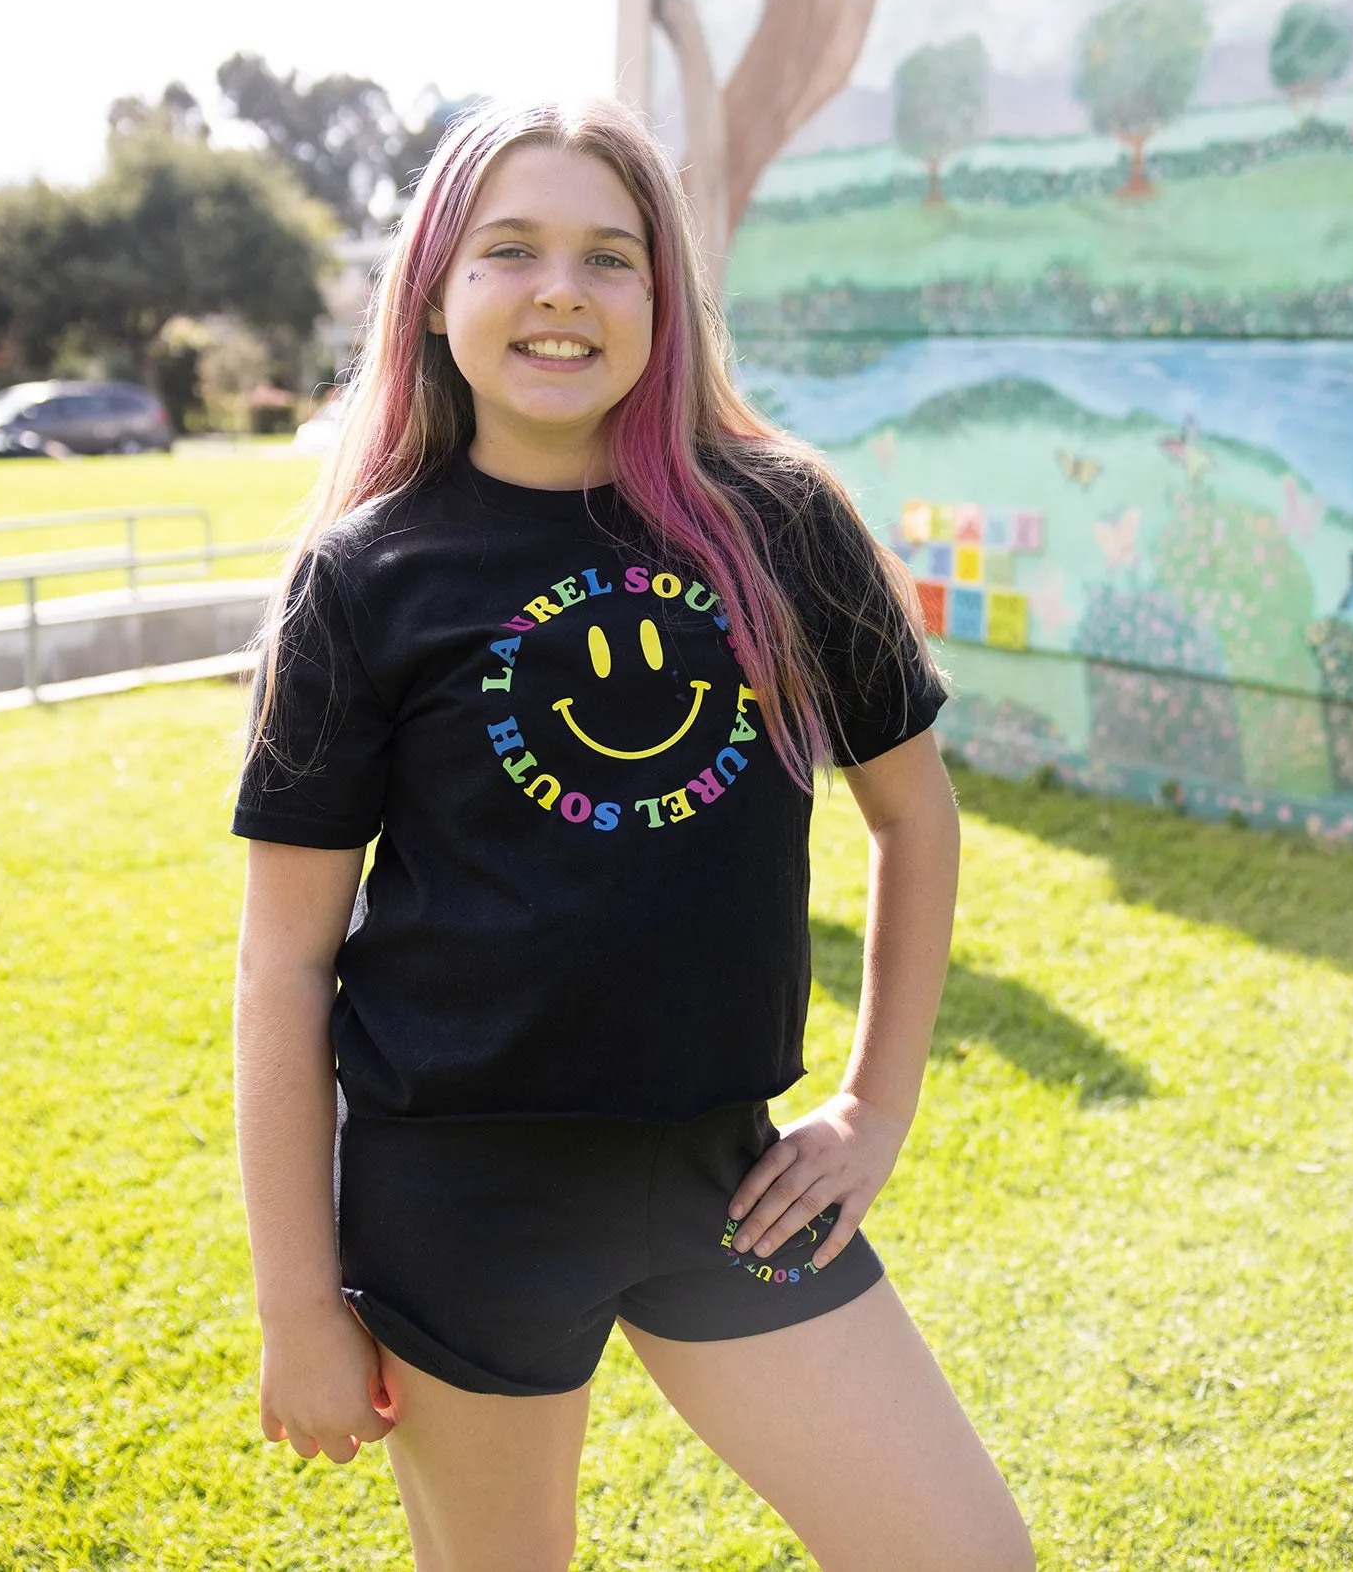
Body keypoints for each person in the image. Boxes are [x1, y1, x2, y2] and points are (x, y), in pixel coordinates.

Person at [231, 98, 1034, 1572]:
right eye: (510, 250)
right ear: (433, 293)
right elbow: (284, 967)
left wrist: (875, 1106)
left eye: (611, 257)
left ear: (665, 300)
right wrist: (297, 1303)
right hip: (461, 1195)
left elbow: (914, 817)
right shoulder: (361, 581)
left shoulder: (779, 525)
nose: (560, 290)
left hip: (723, 1178)